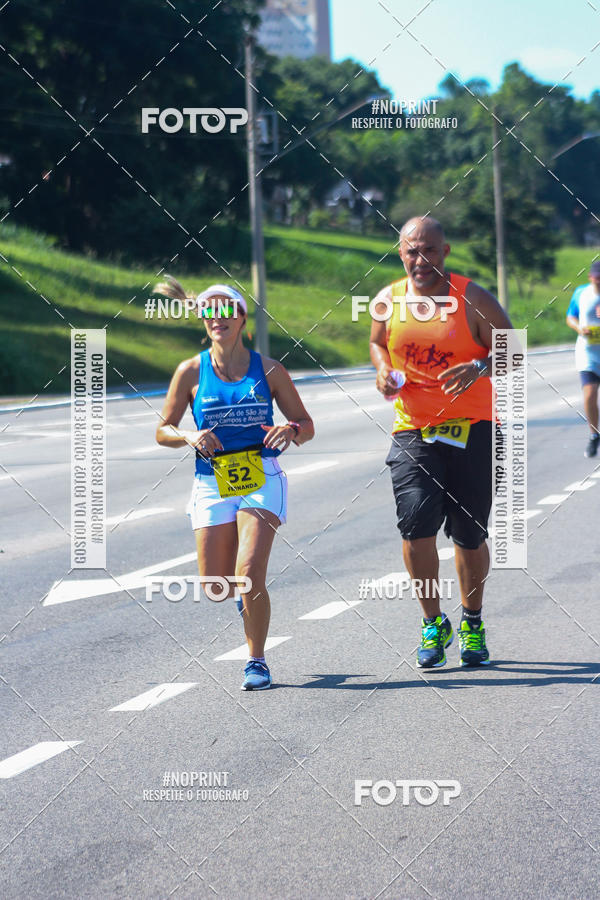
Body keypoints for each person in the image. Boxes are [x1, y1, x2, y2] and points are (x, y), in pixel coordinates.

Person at [155, 278, 314, 690]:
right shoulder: (190, 371)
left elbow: (306, 423)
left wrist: (291, 429)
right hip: (211, 480)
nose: (218, 318)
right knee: (217, 586)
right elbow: (163, 430)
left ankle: (256, 661)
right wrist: (189, 435)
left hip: (261, 475)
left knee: (249, 572)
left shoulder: (270, 369)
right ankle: (247, 606)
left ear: (242, 318)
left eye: (226, 310)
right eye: (209, 311)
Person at [369, 217, 514, 669]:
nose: (421, 260)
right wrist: (383, 371)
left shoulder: (472, 298)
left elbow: (514, 351)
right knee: (415, 525)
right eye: (412, 251)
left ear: (444, 251)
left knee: (469, 534)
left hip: (474, 427)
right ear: (400, 254)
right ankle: (432, 622)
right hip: (412, 429)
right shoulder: (388, 300)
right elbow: (377, 343)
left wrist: (480, 367)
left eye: (429, 250)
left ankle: (472, 621)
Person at [566, 260, 600, 457]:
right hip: (588, 353)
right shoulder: (581, 293)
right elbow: (570, 316)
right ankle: (594, 434)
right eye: (596, 279)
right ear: (590, 278)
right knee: (589, 394)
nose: (599, 282)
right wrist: (579, 328)